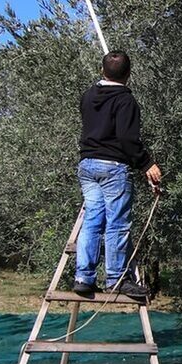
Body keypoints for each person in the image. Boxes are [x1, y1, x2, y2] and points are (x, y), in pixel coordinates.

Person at [73, 50, 161, 299]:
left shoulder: (88, 96)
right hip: (112, 167)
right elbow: (127, 138)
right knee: (117, 224)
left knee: (92, 220)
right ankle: (116, 279)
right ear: (129, 74)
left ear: (102, 71)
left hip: (87, 165)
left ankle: (83, 277)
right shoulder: (125, 101)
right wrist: (146, 164)